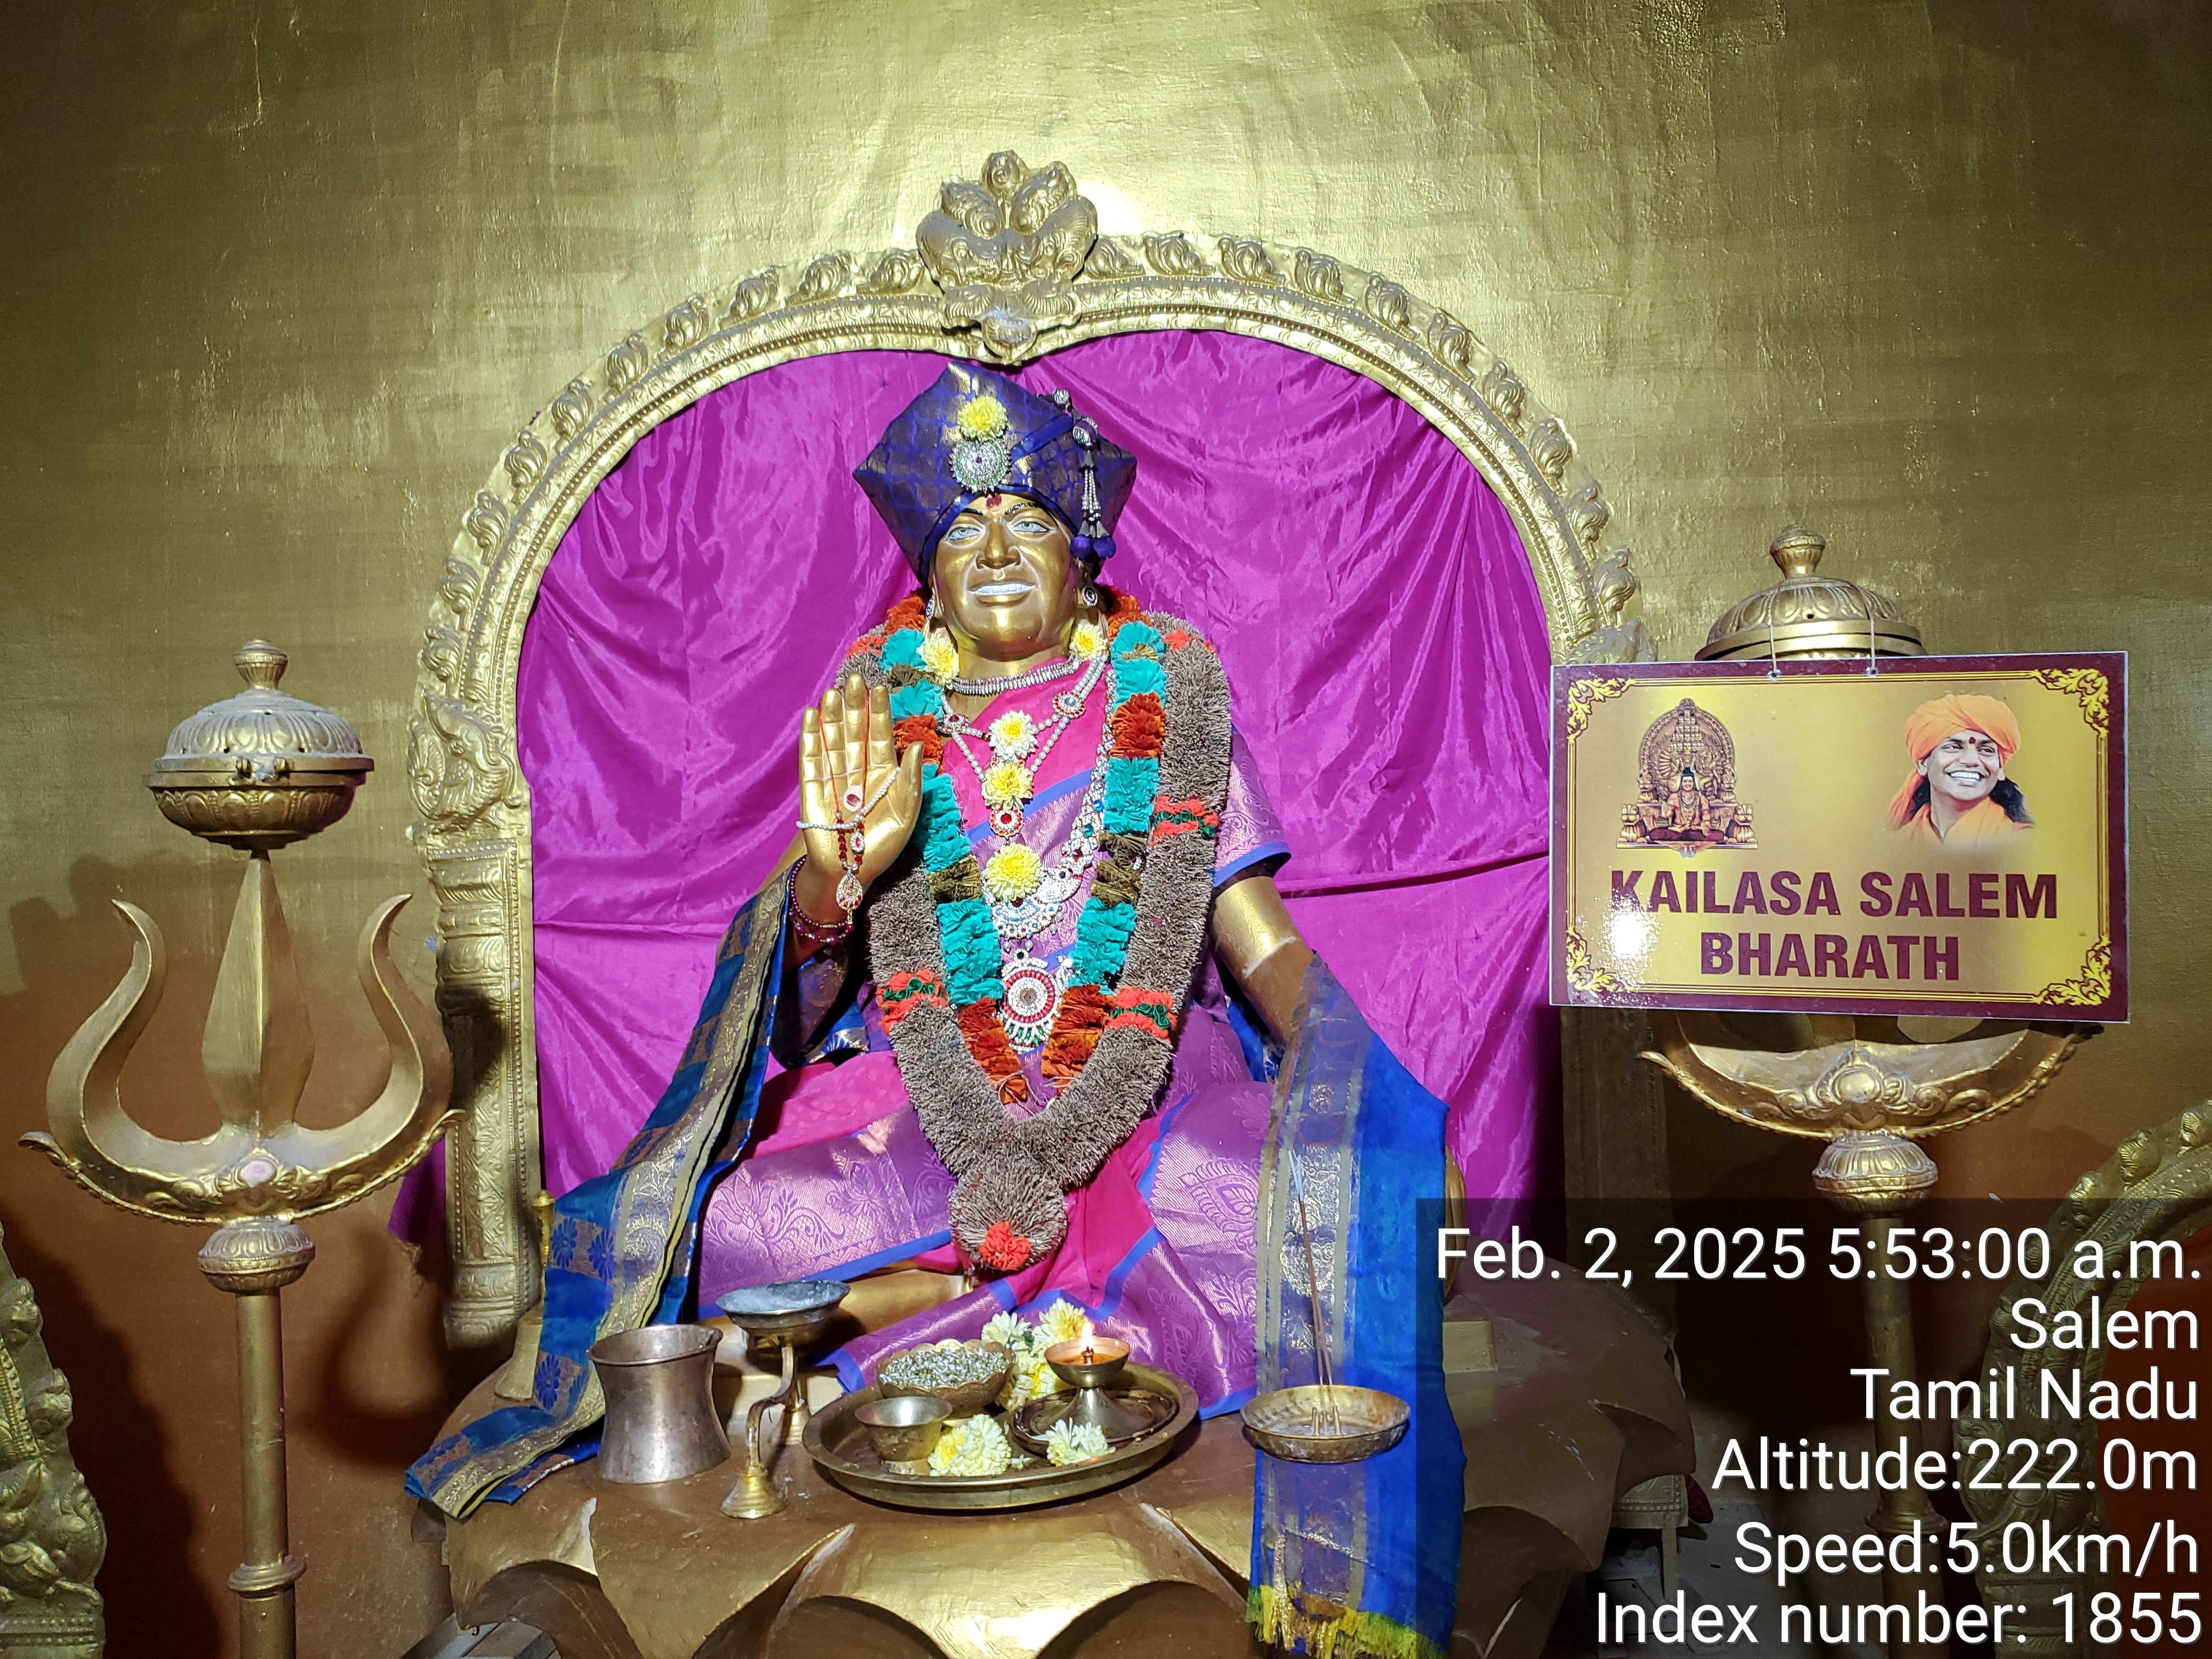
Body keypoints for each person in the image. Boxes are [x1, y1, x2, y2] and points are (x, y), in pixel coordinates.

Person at [1888, 694, 2031, 849]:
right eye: (1954, 747)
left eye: (1986, 750)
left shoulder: (2023, 841)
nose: (1971, 760)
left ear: (2000, 769)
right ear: (1923, 764)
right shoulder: (1896, 845)